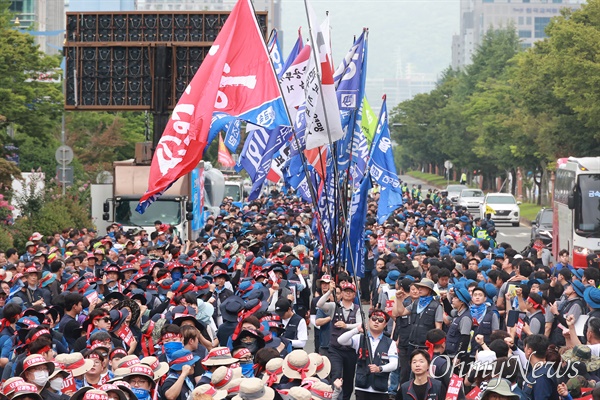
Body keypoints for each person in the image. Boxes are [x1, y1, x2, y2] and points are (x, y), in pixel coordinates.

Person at [337, 309, 398, 400]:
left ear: (385, 324)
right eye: (373, 319)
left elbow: (394, 364)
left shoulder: (390, 343)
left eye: (380, 320)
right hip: (362, 387)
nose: (376, 322)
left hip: (381, 389)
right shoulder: (360, 338)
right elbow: (341, 340)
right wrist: (356, 329)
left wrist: (380, 368)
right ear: (369, 321)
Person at [317, 281, 362, 400]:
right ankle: (335, 397)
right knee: (336, 374)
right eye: (345, 291)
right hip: (335, 348)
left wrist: (345, 325)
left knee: (348, 378)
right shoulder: (334, 306)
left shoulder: (357, 309)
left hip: (350, 350)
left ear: (354, 295)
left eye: (351, 291)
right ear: (341, 293)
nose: (348, 293)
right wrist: (329, 292)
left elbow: (361, 324)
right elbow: (320, 304)